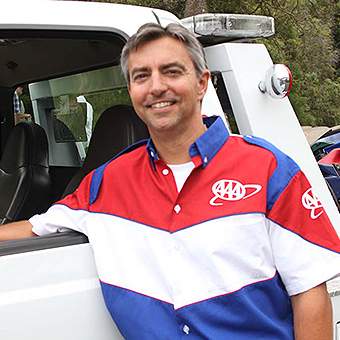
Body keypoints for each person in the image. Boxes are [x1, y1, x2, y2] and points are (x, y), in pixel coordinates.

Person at [1, 23, 340, 340]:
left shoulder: (269, 169)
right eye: (141, 76)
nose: (156, 86)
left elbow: (309, 293)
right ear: (132, 91)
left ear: (202, 82)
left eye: (172, 71)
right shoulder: (106, 181)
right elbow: (35, 229)